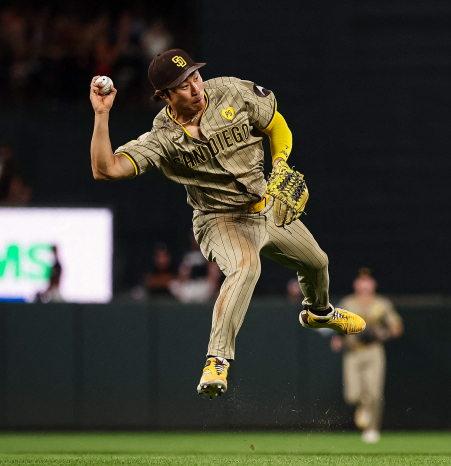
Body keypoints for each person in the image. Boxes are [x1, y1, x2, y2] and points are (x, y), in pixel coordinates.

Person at [88, 48, 366, 399]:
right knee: (246, 267)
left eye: (194, 76)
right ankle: (217, 360)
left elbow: (276, 124)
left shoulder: (231, 91)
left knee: (317, 262)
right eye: (182, 85)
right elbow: (106, 169)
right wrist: (102, 116)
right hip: (220, 219)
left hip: (265, 206)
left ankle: (319, 313)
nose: (194, 87)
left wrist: (280, 164)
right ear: (164, 96)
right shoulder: (161, 138)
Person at [330, 268, 403, 444]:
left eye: (368, 281)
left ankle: (372, 429)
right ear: (356, 284)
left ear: (373, 284)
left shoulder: (381, 303)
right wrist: (338, 339)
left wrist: (382, 333)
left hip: (373, 351)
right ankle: (363, 406)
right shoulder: (348, 302)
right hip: (353, 351)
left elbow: (396, 327)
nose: (364, 284)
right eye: (361, 281)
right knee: (352, 395)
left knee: (375, 392)